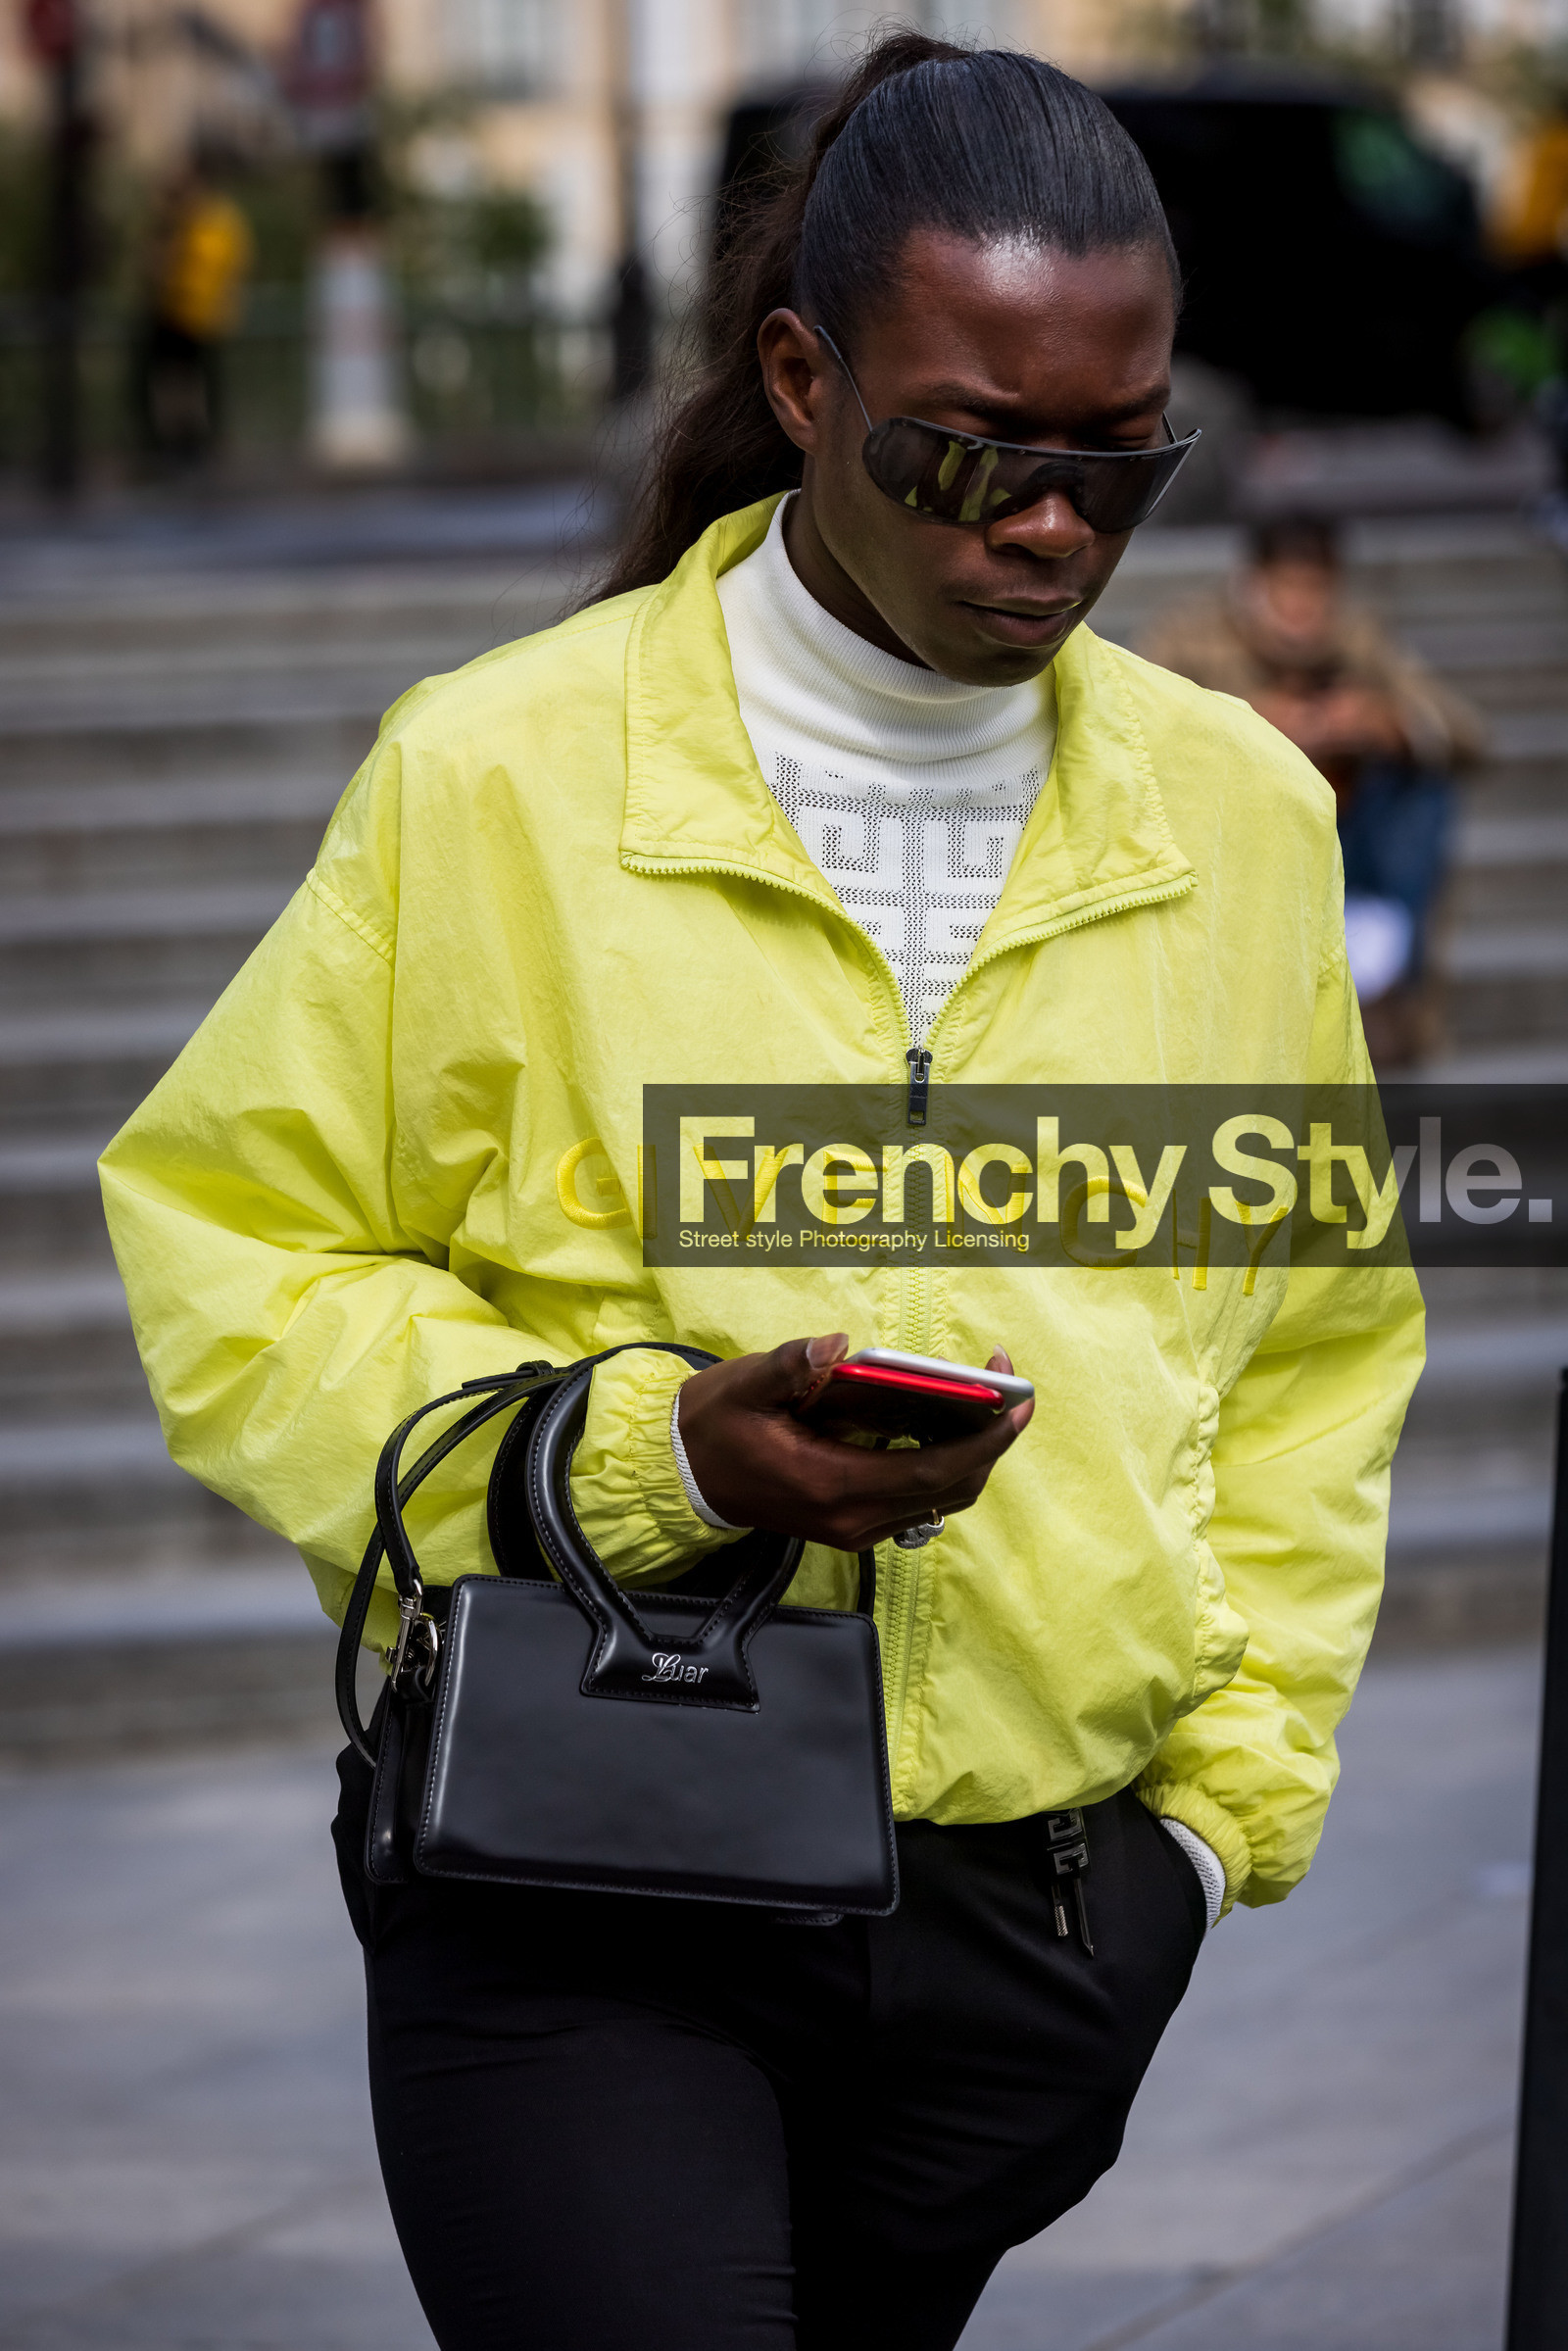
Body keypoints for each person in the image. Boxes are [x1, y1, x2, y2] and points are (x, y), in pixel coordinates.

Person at [99, 34, 1424, 2351]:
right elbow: (241, 1252)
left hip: (1033, 1922)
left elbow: (1311, 1343)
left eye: (1118, 459)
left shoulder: (1239, 815)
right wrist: (655, 1455)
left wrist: (1206, 1829)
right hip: (584, 1864)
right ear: (803, 380)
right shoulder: (496, 772)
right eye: (971, 451)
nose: (1050, 525)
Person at [1142, 514, 1484, 1062]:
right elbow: (1135, 731)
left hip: (1348, 828)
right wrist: (1247, 724)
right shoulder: (1190, 633)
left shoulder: (1359, 635)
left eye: (1316, 589)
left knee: (1423, 795)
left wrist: (1385, 722)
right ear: (1254, 583)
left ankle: (1386, 991)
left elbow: (1466, 734)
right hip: (1232, 828)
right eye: (1288, 588)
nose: (1301, 607)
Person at [132, 156, 253, 467]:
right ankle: (175, 442)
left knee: (194, 382)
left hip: (197, 315)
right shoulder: (178, 221)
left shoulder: (210, 221)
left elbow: (223, 267)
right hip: (174, 312)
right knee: (173, 381)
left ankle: (195, 443)